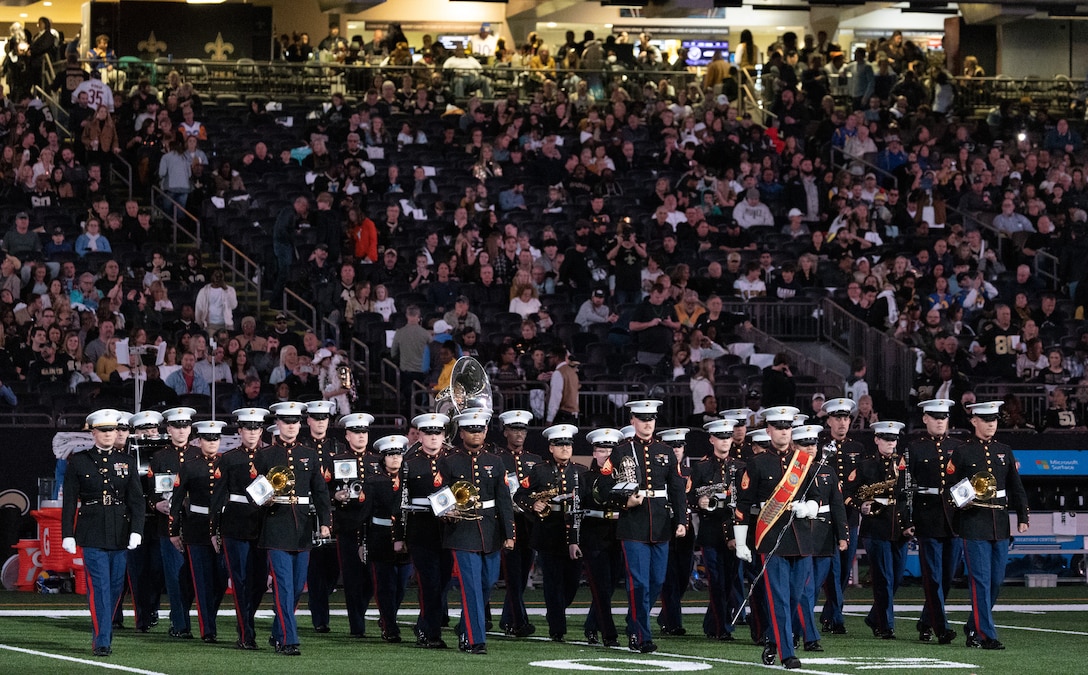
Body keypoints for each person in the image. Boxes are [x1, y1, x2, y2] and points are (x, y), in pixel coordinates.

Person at [594, 399, 687, 653]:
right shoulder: (621, 451)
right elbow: (603, 486)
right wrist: (625, 501)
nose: (647, 424)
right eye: (642, 419)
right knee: (639, 583)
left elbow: (677, 488)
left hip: (660, 525)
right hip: (633, 525)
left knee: (656, 580)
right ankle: (640, 635)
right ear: (633, 421)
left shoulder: (665, 451)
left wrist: (681, 520)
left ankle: (635, 620)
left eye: (651, 419)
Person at [734, 410, 820, 670]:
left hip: (801, 537)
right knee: (779, 598)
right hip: (770, 538)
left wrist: (810, 508)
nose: (784, 431)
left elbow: (817, 496)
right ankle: (787, 653)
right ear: (768, 430)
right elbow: (743, 505)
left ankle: (773, 639)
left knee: (795, 596)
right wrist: (740, 542)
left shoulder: (804, 461)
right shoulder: (757, 463)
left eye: (787, 427)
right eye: (778, 427)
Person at [60, 409, 144, 657]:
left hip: (120, 531)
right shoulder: (79, 461)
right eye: (104, 430)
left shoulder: (127, 462)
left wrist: (136, 530)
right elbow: (70, 501)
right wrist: (67, 534)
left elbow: (137, 501)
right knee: (100, 587)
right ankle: (103, 639)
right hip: (92, 531)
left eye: (113, 430)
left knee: (116, 587)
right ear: (93, 432)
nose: (110, 435)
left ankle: (103, 630)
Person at [947, 400, 1029, 650]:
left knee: (996, 580)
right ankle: (986, 635)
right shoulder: (962, 451)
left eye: (994, 421)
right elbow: (949, 488)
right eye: (986, 420)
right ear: (974, 421)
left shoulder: (1004, 449)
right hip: (974, 523)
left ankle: (973, 627)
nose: (991, 425)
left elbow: (1015, 485)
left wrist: (1023, 516)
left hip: (1000, 524)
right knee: (980, 580)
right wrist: (962, 504)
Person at [253, 401, 332, 656]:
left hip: (302, 528)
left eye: (295, 422)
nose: (291, 426)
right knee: (285, 586)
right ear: (277, 424)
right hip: (276, 525)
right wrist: (262, 499)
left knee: (297, 587)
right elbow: (255, 492)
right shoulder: (264, 455)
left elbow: (320, 492)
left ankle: (278, 633)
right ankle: (289, 639)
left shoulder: (309, 455)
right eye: (286, 422)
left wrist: (326, 523)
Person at [435, 408, 516, 654]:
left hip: (490, 531)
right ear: (461, 433)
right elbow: (440, 495)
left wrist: (509, 534)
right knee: (471, 586)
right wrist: (446, 512)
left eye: (480, 429)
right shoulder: (449, 461)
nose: (476, 433)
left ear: (486, 430)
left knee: (487, 583)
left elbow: (504, 500)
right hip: (462, 530)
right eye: (471, 429)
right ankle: (474, 639)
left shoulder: (495, 461)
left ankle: (465, 627)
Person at [514, 423, 585, 641]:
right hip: (548, 532)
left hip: (575, 532)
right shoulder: (539, 470)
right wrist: (532, 506)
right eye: (559, 444)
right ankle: (557, 628)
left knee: (572, 582)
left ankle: (555, 612)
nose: (565, 448)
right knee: (553, 582)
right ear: (551, 448)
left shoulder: (580, 472)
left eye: (568, 444)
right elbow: (519, 496)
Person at [209, 407, 270, 650]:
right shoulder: (229, 458)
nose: (252, 432)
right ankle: (246, 632)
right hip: (235, 523)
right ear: (240, 430)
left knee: (258, 582)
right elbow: (218, 496)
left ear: (262, 430)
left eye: (256, 428)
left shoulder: (270, 456)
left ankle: (247, 621)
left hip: (263, 523)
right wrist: (214, 529)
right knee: (241, 579)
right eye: (248, 428)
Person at [169, 419, 228, 643]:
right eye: (207, 438)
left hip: (222, 527)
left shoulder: (227, 463)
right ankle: (208, 629)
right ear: (199, 440)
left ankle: (208, 617)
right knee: (202, 581)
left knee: (221, 579)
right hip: (197, 527)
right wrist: (174, 530)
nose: (211, 442)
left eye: (215, 439)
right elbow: (176, 500)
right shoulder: (190, 466)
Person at [907, 398, 961, 645]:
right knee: (934, 577)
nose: (940, 421)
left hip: (954, 517)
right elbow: (906, 487)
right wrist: (908, 518)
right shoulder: (915, 449)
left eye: (944, 417)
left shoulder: (959, 447)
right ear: (925, 419)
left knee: (948, 576)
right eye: (935, 417)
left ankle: (926, 621)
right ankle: (942, 627)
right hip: (927, 515)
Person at [849, 420, 910, 640]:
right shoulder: (865, 465)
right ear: (876, 440)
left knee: (896, 578)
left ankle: (875, 617)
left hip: (899, 526)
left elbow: (909, 494)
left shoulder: (904, 463)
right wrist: (860, 505)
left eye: (894, 439)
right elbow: (850, 491)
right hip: (875, 526)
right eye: (886, 439)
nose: (891, 443)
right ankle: (886, 625)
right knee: (883, 578)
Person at [403, 412, 454, 648]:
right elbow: (401, 502)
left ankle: (426, 625)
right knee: (429, 583)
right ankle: (429, 632)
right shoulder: (409, 464)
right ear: (420, 435)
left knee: (442, 583)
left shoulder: (453, 460)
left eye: (438, 433)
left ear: (444, 435)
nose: (434, 437)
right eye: (429, 433)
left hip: (448, 531)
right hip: (421, 530)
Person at [818, 397, 868, 634]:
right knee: (833, 568)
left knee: (845, 568)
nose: (842, 423)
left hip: (850, 516)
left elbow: (862, 481)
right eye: (837, 418)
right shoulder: (818, 446)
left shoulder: (857, 449)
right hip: (825, 517)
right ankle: (836, 618)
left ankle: (830, 613)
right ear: (828, 420)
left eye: (846, 418)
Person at [148, 406, 198, 639]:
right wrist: (155, 504)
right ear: (168, 428)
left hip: (194, 524)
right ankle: (180, 623)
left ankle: (182, 616)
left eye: (185, 426)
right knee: (174, 576)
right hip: (168, 523)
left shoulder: (197, 455)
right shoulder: (159, 457)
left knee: (190, 577)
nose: (181, 430)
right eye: (177, 426)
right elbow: (149, 491)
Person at [329, 412, 378, 638]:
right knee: (351, 577)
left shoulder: (376, 461)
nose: (361, 436)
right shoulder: (337, 460)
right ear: (347, 435)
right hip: (348, 525)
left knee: (370, 578)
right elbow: (324, 489)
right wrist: (335, 497)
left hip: (373, 527)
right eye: (356, 432)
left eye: (364, 432)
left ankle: (360, 613)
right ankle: (356, 625)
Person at [691, 418, 740, 641]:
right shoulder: (701, 467)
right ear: (711, 439)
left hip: (734, 531)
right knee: (717, 582)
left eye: (728, 437)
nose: (725, 441)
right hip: (711, 532)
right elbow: (689, 496)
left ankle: (712, 623)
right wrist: (699, 501)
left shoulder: (740, 467)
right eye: (721, 437)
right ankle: (722, 628)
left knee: (729, 582)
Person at [495, 409, 542, 638]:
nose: (519, 434)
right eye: (514, 429)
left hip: (529, 524)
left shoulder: (535, 460)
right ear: (505, 432)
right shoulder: (497, 458)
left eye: (522, 429)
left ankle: (507, 618)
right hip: (506, 523)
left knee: (522, 576)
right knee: (513, 575)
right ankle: (517, 620)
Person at [299, 400, 343, 634]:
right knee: (315, 569)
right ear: (308, 421)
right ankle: (320, 617)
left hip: (333, 511)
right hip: (308, 514)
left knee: (332, 569)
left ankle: (319, 601)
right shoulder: (302, 446)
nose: (320, 422)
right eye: (316, 418)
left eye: (324, 418)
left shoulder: (337, 446)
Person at [366, 433, 411, 643]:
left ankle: (389, 619)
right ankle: (389, 626)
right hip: (381, 538)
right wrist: (362, 542)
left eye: (398, 454)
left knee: (401, 586)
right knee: (386, 586)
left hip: (406, 540)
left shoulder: (409, 480)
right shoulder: (374, 482)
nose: (395, 458)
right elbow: (364, 515)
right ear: (383, 458)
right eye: (390, 455)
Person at [657, 427, 694, 637]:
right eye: (672, 446)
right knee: (669, 577)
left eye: (679, 446)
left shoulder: (690, 473)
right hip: (665, 524)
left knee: (683, 576)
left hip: (687, 527)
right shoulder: (659, 472)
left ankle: (666, 615)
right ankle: (673, 621)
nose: (676, 450)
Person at [545, 345, 580, 425]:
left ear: (556, 358)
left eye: (550, 357)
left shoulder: (558, 373)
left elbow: (555, 397)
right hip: (573, 415)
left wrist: (549, 418)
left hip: (562, 415)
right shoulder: (573, 372)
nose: (549, 360)